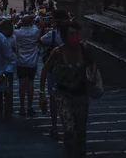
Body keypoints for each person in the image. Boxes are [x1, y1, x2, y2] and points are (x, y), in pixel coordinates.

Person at [39, 21, 96, 157]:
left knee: (81, 130)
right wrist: (42, 94)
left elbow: (93, 61)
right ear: (64, 37)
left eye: (76, 34)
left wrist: (92, 76)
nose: (75, 37)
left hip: (81, 95)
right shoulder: (58, 52)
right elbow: (45, 70)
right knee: (69, 128)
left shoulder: (84, 49)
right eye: (71, 34)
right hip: (63, 94)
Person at [38, 9, 68, 138]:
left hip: (54, 69)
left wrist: (41, 28)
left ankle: (55, 126)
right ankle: (67, 124)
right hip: (69, 69)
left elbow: (39, 41)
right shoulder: (72, 34)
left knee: (53, 97)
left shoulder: (53, 34)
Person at [14, 14, 40, 117]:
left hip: (21, 61)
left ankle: (22, 107)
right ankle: (29, 106)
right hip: (32, 61)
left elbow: (12, 28)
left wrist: (17, 23)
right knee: (30, 85)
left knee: (21, 85)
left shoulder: (17, 33)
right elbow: (36, 27)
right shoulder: (35, 31)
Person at [0, 19, 16, 116]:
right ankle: (9, 109)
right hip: (10, 67)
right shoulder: (13, 38)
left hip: (0, 66)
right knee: (9, 89)